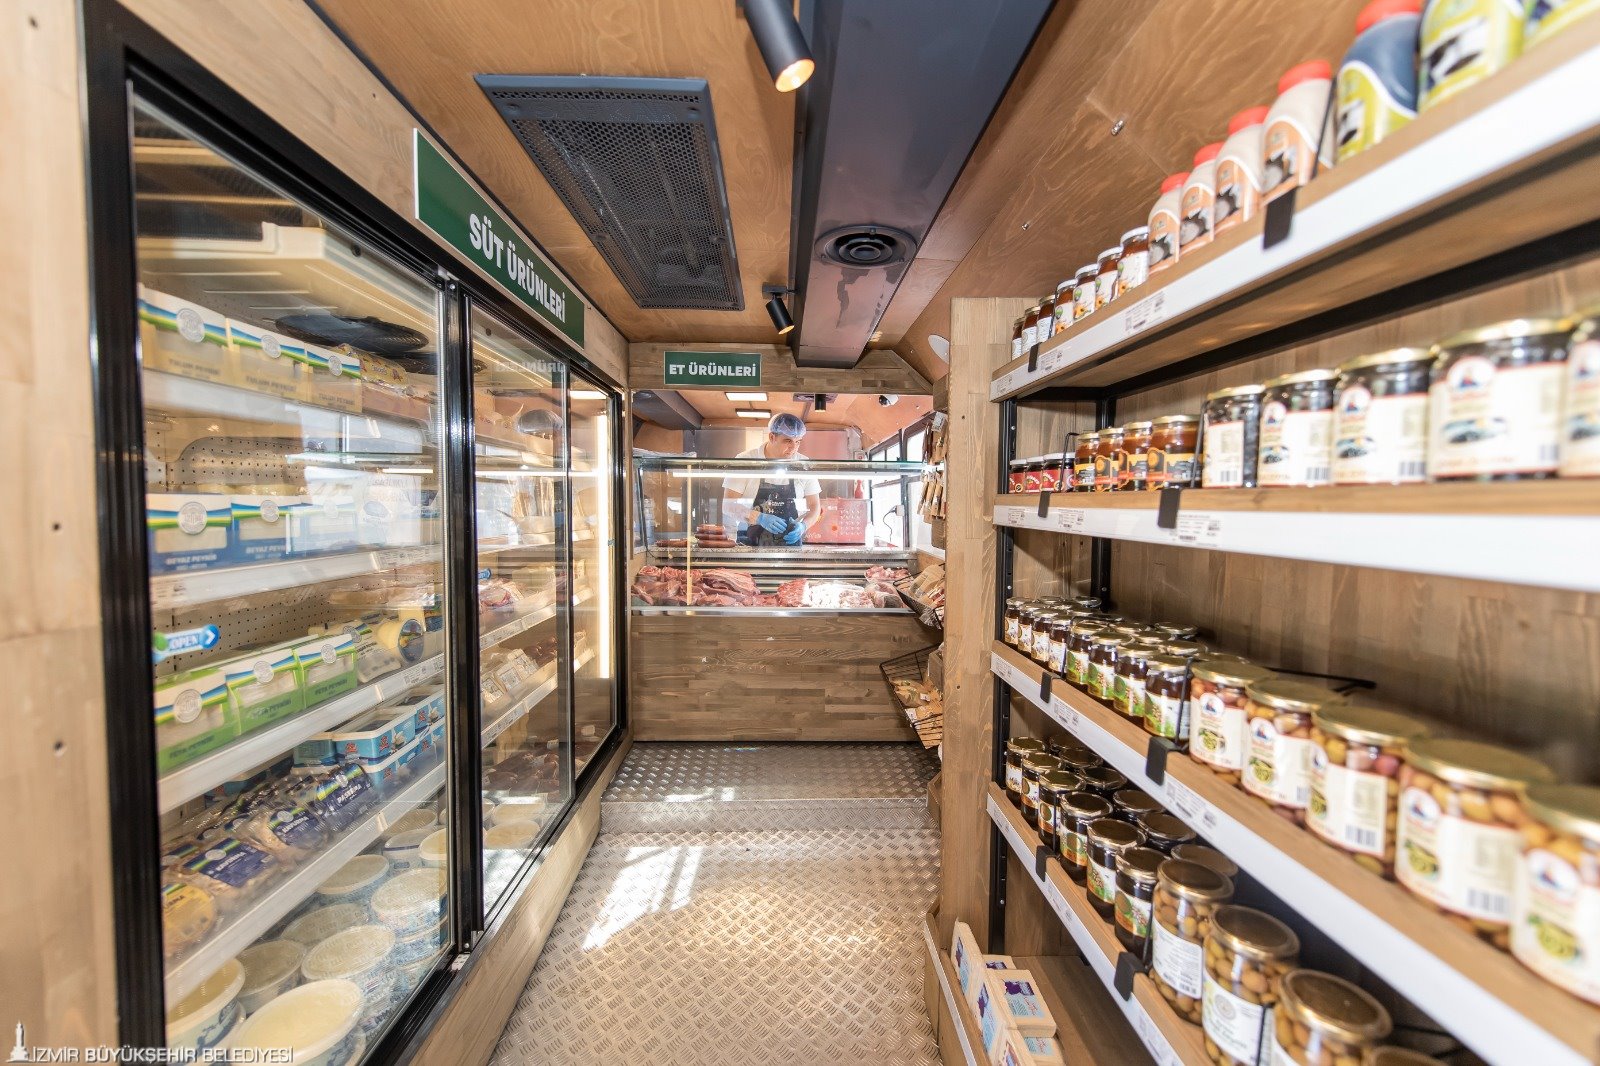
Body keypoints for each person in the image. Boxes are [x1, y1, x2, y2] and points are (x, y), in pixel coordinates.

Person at [722, 412, 822, 546]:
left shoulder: (803, 464)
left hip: (790, 545)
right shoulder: (745, 460)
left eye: (798, 442)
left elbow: (815, 506)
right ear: (772, 437)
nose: (793, 448)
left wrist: (803, 526)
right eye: (788, 441)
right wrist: (759, 518)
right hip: (750, 546)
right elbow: (728, 505)